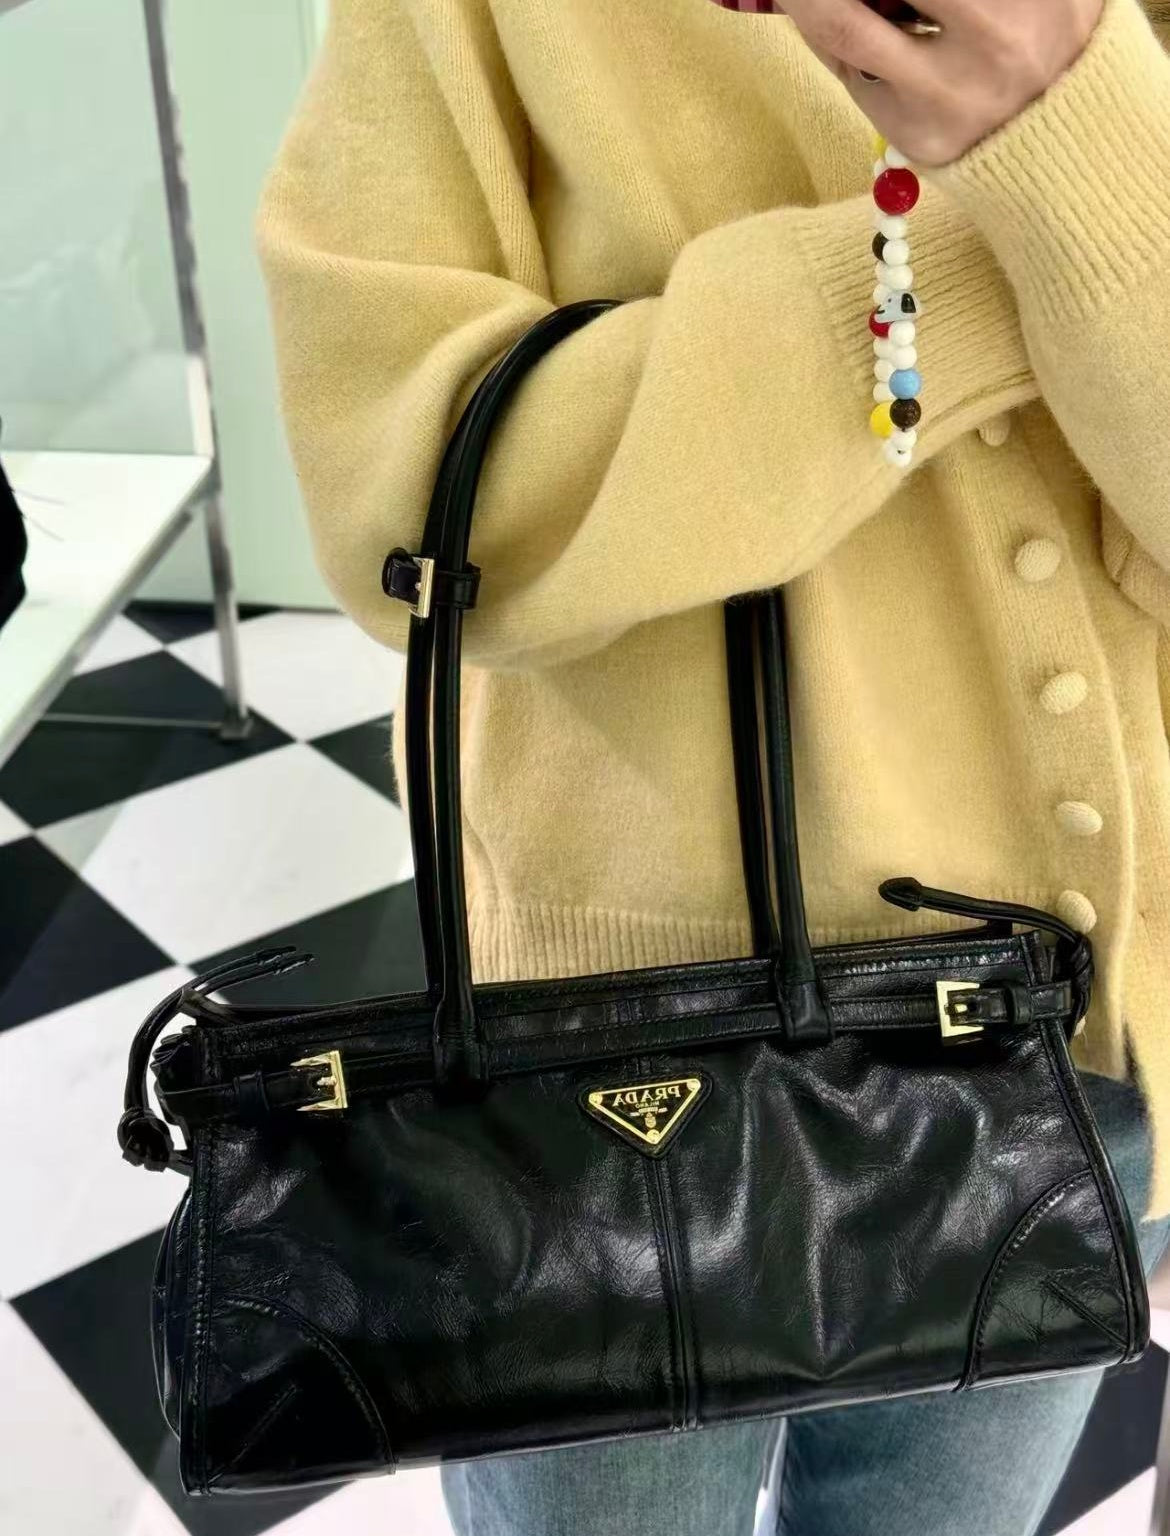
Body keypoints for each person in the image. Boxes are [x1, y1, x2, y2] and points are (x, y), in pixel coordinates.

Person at [254, 0, 1170, 1529]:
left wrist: (1077, 135)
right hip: (615, 1074)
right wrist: (993, 242)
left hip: (1078, 1024)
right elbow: (407, 503)